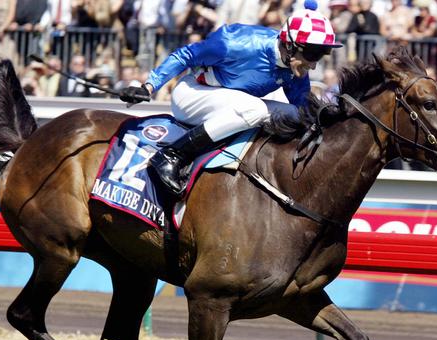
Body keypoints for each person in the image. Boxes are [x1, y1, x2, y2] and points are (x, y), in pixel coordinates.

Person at [120, 0, 343, 196]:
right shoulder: (235, 43)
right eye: (312, 54)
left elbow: (302, 109)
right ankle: (171, 155)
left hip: (232, 102)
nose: (314, 64)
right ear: (290, 44)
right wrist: (148, 86)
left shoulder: (296, 68)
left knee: (295, 115)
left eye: (321, 55)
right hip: (192, 95)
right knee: (255, 110)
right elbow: (185, 54)